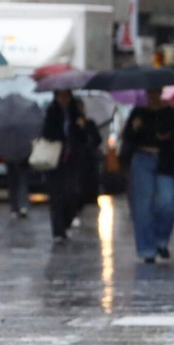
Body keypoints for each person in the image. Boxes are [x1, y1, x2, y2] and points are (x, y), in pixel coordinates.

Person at [119, 87, 174, 262]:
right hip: (142, 160)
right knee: (142, 207)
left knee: (167, 203)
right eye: (150, 92)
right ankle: (146, 249)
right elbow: (127, 138)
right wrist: (134, 128)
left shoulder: (171, 113)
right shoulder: (138, 112)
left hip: (165, 161)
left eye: (156, 92)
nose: (153, 96)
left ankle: (161, 240)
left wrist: (168, 138)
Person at [41, 90, 103, 246]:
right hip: (55, 161)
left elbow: (86, 138)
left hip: (73, 160)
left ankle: (66, 222)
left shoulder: (76, 115)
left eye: (66, 96)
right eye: (61, 96)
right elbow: (47, 134)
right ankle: (58, 231)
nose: (64, 99)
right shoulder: (51, 113)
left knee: (71, 194)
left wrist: (80, 127)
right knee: (56, 196)